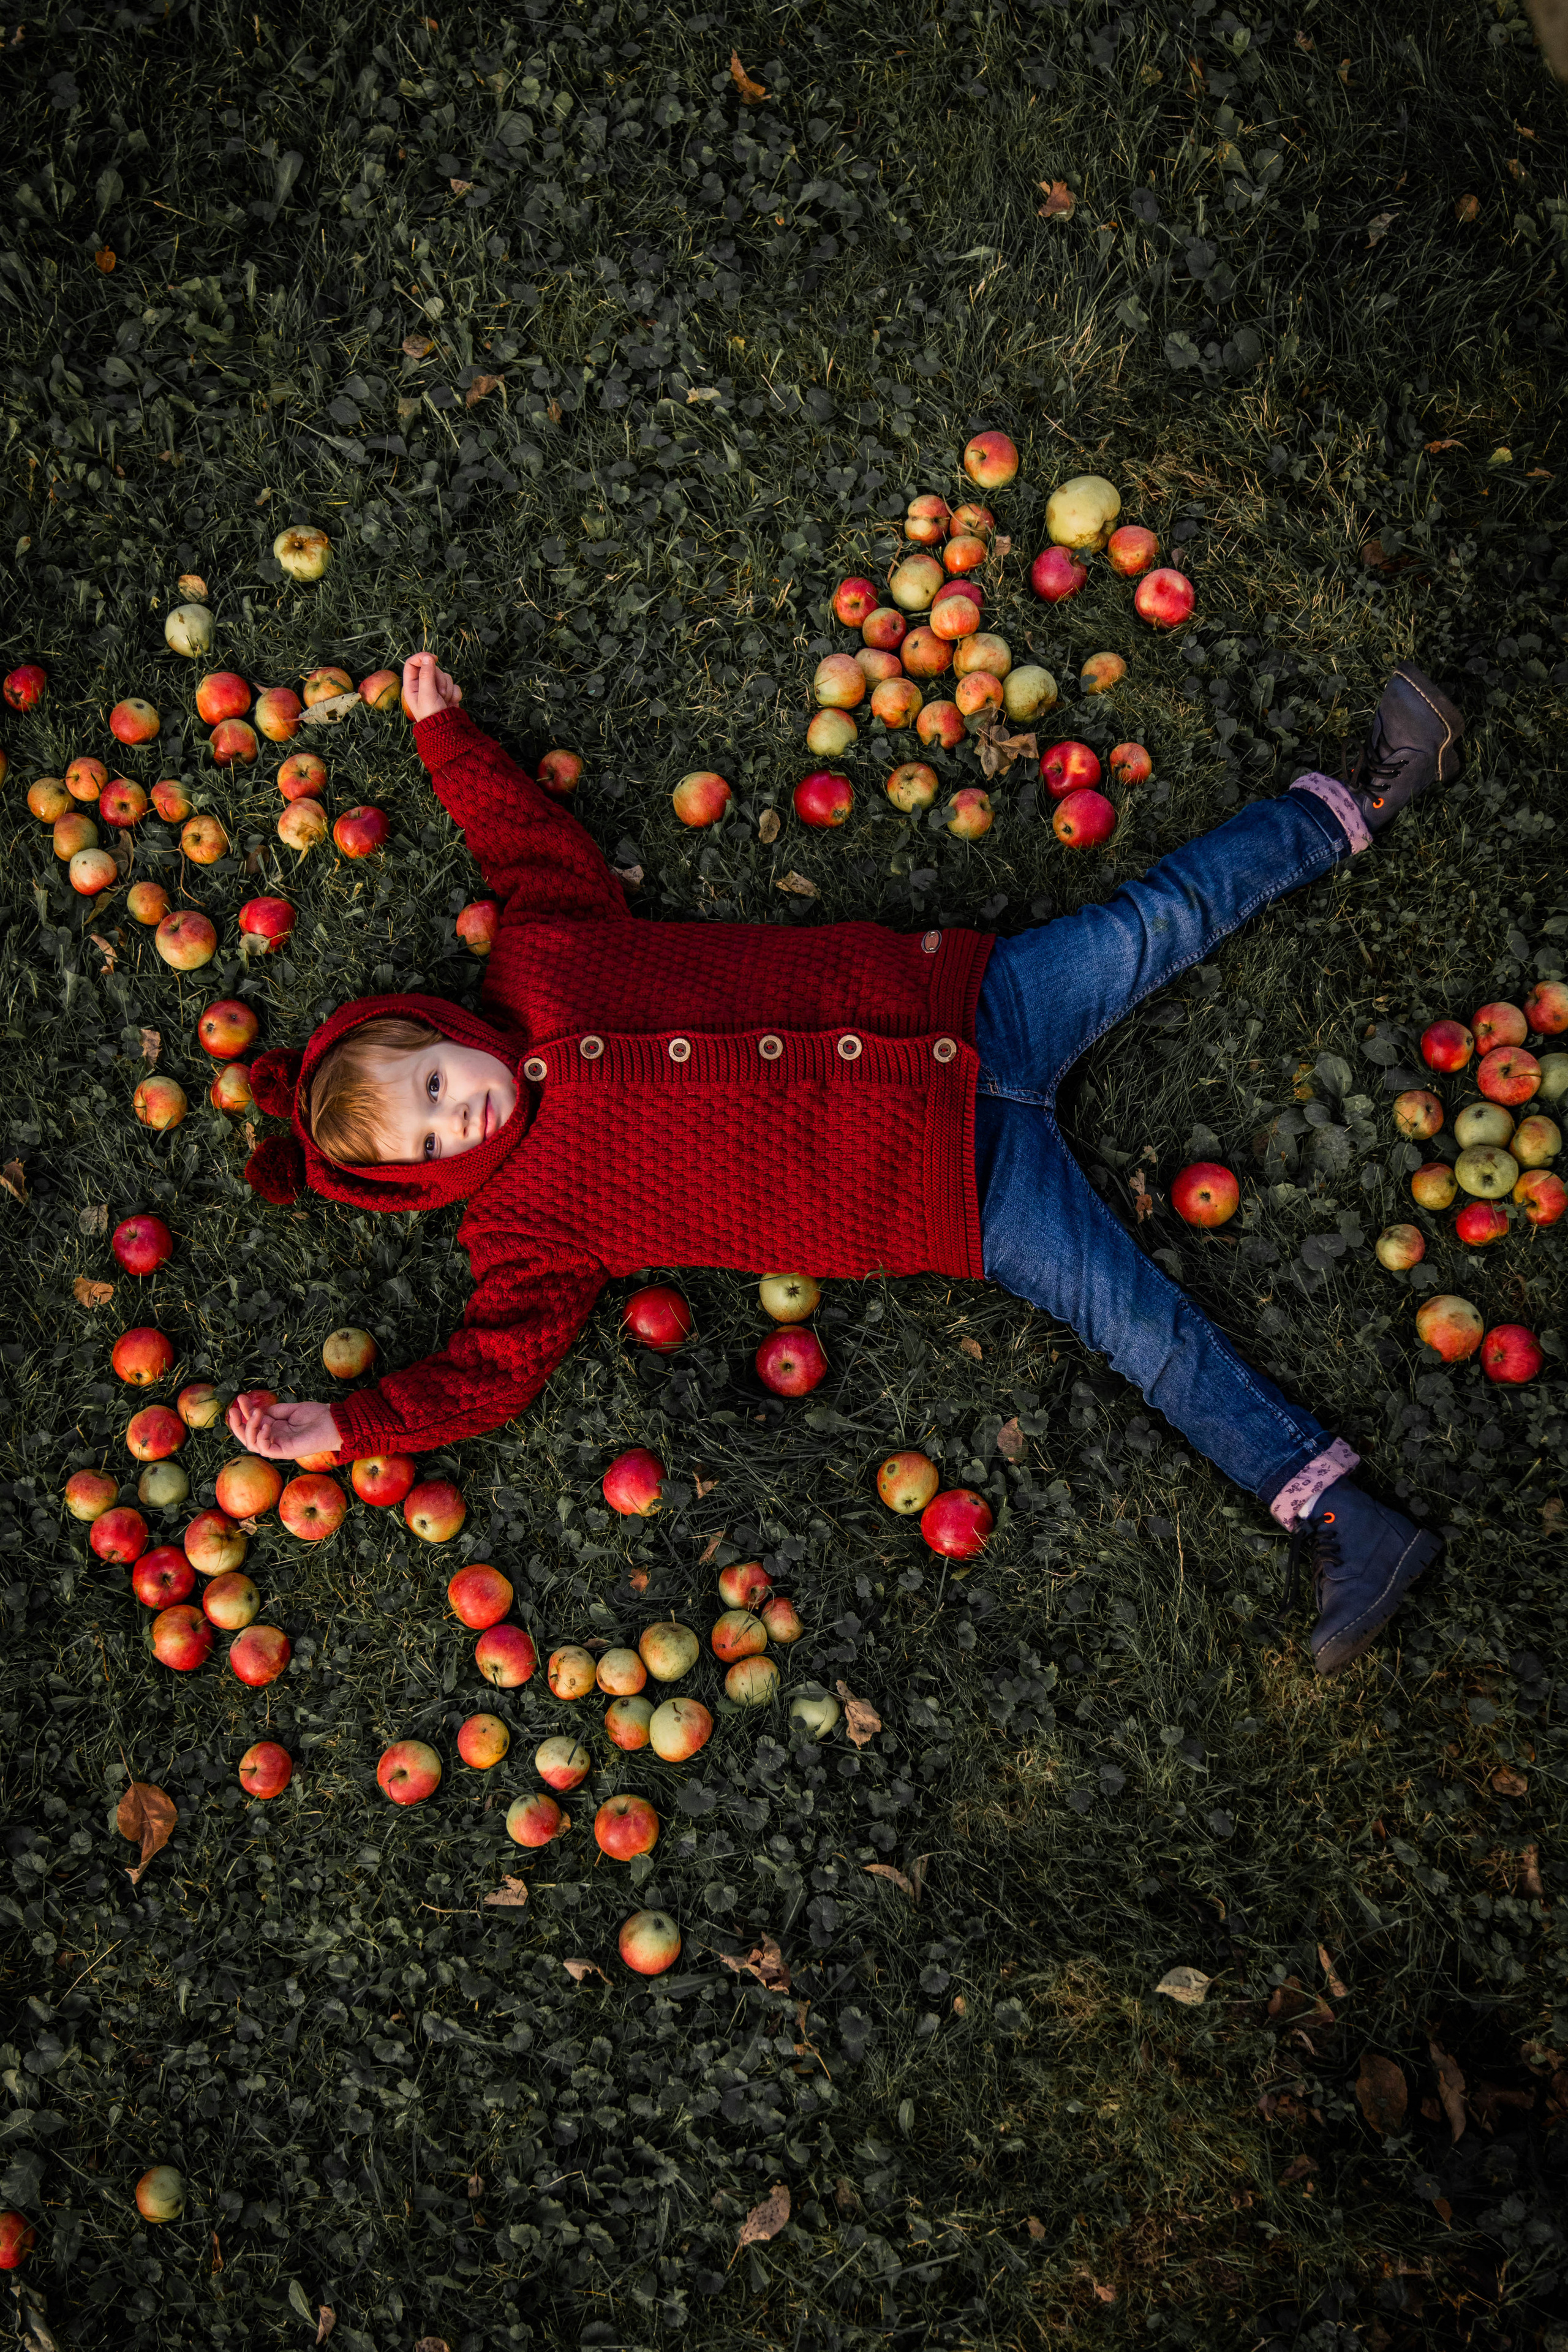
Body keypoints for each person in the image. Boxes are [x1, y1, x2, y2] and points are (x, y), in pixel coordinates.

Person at [230, 652, 1464, 1676]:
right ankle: (1342, 1516)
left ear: (436, 1026)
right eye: (431, 1143)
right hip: (957, 1195)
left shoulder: (544, 954)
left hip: (967, 1003)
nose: (459, 1115)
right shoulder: (521, 1230)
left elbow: (522, 845)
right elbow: (488, 1373)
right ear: (422, 1182)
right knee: (1144, 1332)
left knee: (1154, 920)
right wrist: (345, 1422)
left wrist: (446, 742)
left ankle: (1351, 797)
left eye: (434, 1083)